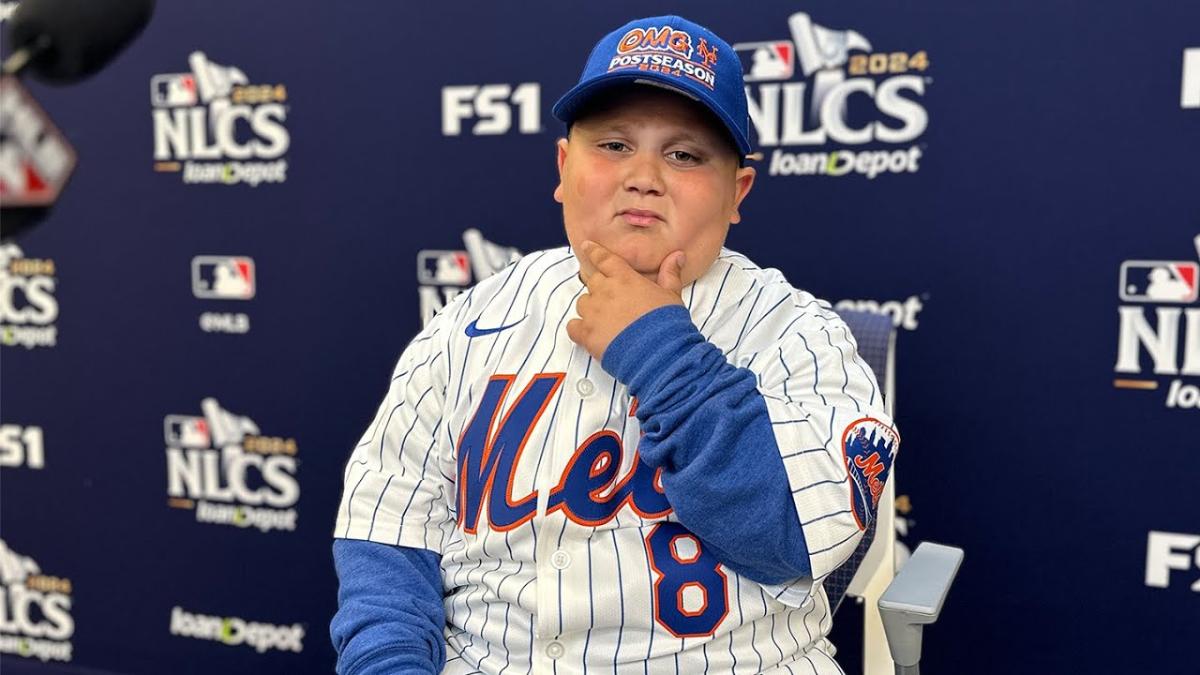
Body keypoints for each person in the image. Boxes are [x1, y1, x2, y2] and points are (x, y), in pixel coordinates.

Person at [331, 14, 898, 675]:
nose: (644, 176)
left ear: (737, 190)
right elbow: (389, 532)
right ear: (565, 166)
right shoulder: (468, 322)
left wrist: (656, 346)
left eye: (684, 154)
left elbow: (788, 536)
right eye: (614, 145)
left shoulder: (800, 334)